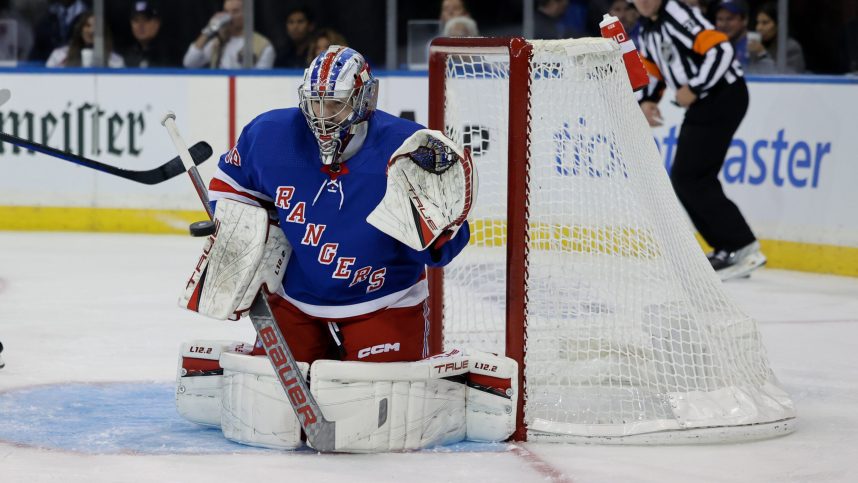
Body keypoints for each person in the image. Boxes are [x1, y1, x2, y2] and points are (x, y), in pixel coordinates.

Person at [632, 0, 765, 280]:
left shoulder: (677, 14)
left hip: (722, 96)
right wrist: (647, 100)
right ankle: (727, 247)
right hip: (709, 101)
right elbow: (654, 68)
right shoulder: (647, 28)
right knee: (688, 177)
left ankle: (741, 246)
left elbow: (721, 49)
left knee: (691, 176)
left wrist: (694, 87)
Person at [183, 0, 275, 69]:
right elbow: (189, 63)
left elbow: (260, 80)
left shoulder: (264, 46)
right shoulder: (217, 42)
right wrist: (209, 29)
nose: (229, 16)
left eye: (235, 11)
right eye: (226, 11)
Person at [714, 0, 776, 74]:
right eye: (720, 19)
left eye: (730, 19)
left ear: (745, 20)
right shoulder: (714, 46)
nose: (724, 24)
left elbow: (774, 78)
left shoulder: (759, 43)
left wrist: (762, 55)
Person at [45, 11, 124, 68]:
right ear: (80, 29)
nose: (91, 31)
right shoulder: (59, 55)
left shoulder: (115, 61)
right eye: (87, 25)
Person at [751, 1, 805, 74]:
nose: (758, 28)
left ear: (778, 25)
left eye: (765, 23)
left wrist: (763, 55)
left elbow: (788, 79)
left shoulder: (791, 48)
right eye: (758, 23)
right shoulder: (754, 47)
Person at [122, 0, 176, 68]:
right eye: (136, 20)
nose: (140, 25)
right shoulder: (127, 56)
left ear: (157, 23)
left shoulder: (171, 54)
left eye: (145, 20)